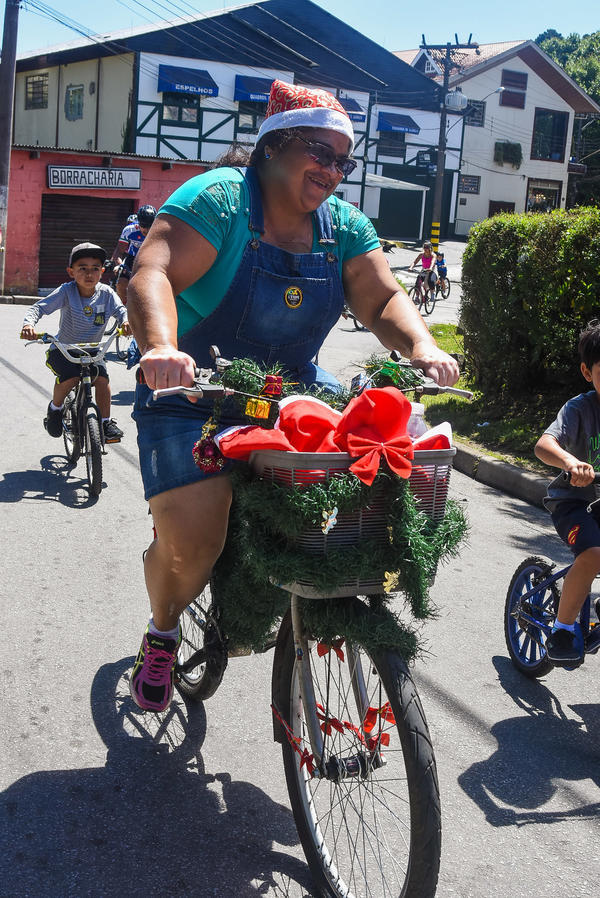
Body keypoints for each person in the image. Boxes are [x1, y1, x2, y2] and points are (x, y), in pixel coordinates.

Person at [126, 78, 460, 713]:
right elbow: (156, 269)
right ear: (273, 147)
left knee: (370, 468)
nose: (333, 171)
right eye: (319, 152)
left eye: (343, 160)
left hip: (291, 394)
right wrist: (162, 348)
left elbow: (382, 296)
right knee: (194, 544)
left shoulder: (344, 228)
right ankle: (163, 630)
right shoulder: (221, 199)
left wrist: (421, 347)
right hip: (194, 391)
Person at [535, 320, 600, 665]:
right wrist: (571, 462)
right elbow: (544, 445)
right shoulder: (579, 409)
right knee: (592, 553)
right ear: (588, 373)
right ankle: (562, 629)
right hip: (574, 502)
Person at [20, 242, 131, 443]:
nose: (89, 274)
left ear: (102, 271)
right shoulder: (66, 291)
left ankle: (105, 423)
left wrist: (126, 322)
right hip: (64, 350)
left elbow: (121, 311)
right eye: (82, 268)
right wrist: (28, 325)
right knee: (70, 378)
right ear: (71, 272)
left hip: (92, 352)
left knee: (103, 381)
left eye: (95, 269)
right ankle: (55, 408)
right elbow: (38, 309)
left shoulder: (106, 293)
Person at [109, 205, 157, 304]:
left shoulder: (158, 231)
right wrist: (119, 265)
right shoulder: (129, 230)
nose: (147, 230)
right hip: (133, 257)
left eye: (150, 226)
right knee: (121, 283)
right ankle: (123, 307)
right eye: (143, 226)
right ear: (138, 223)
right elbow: (119, 251)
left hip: (151, 258)